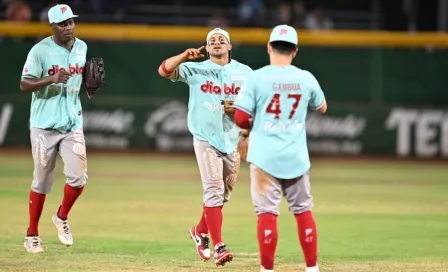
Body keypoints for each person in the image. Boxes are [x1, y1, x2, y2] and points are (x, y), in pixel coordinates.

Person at [232, 24, 328, 272]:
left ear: (269, 47)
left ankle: (267, 270)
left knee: (266, 213)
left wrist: (250, 127)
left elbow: (240, 118)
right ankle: (312, 268)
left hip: (264, 157)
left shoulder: (257, 77)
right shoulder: (306, 78)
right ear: (295, 51)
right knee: (303, 211)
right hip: (296, 156)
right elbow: (322, 107)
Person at [157, 28, 252, 266]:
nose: (217, 43)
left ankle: (199, 231)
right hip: (204, 137)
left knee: (223, 195)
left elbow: (252, 105)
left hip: (231, 139)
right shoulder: (194, 68)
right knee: (213, 191)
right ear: (207, 48)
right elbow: (163, 70)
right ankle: (219, 246)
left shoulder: (245, 72)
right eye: (212, 41)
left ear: (229, 46)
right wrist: (183, 57)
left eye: (222, 40)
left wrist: (245, 132)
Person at [20, 4, 91, 253]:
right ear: (52, 26)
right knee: (41, 181)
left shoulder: (81, 47)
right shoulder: (40, 51)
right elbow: (24, 84)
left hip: (72, 122)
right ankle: (32, 234)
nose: (68, 27)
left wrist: (89, 86)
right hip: (44, 125)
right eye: (63, 23)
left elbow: (80, 79)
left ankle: (61, 217)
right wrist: (50, 78)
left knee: (79, 178)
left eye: (71, 22)